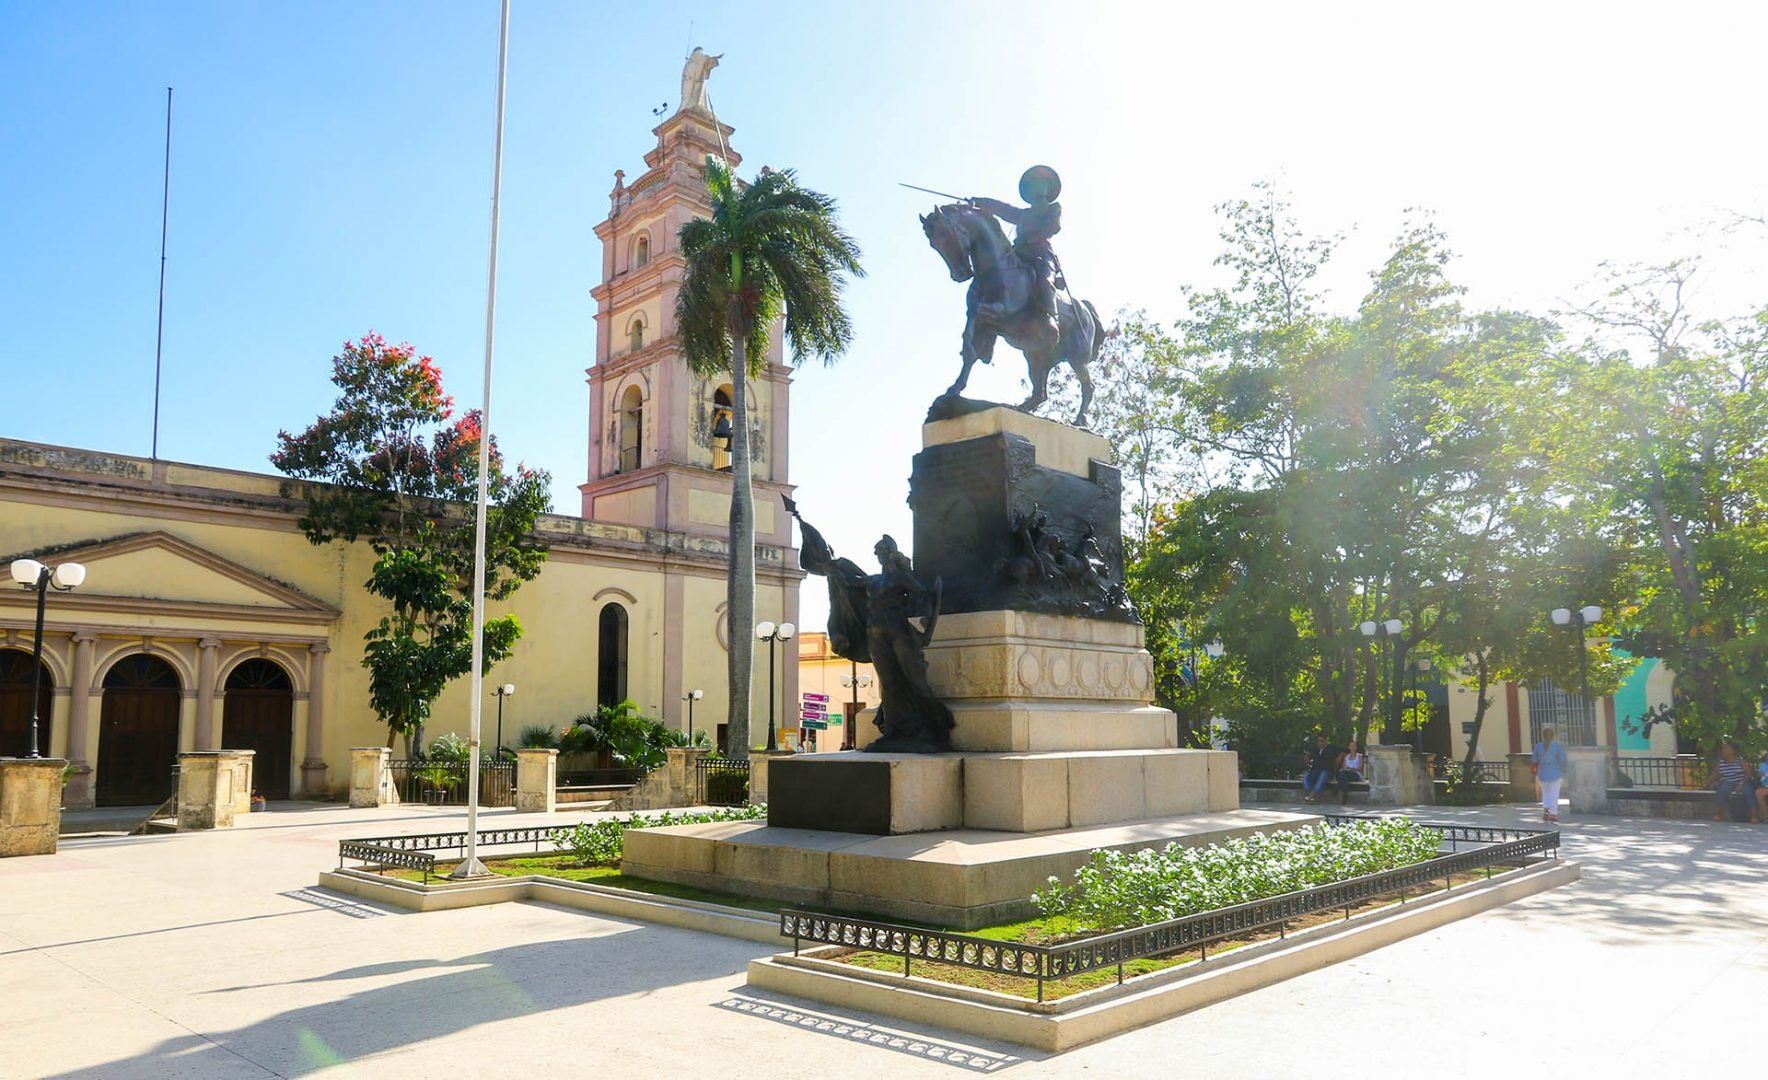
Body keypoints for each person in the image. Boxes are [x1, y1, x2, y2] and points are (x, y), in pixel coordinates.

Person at [969, 165, 1064, 339]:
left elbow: (1054, 226)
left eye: (1040, 184)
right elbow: (1002, 209)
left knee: (1045, 279)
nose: (1037, 188)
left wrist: (1031, 238)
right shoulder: (1022, 214)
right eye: (1033, 185)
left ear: (1047, 188)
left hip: (1041, 255)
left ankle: (1051, 318)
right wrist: (980, 202)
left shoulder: (1053, 208)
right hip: (1019, 254)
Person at [1712, 740, 1753, 823]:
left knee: (1748, 791)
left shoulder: (1741, 761)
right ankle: (1717, 814)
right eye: (1723, 749)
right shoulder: (1720, 763)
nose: (1724, 751)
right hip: (1728, 781)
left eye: (1727, 749)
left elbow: (1749, 774)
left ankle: (1754, 816)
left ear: (1733, 751)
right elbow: (1713, 775)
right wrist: (1706, 785)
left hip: (1742, 781)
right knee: (1722, 791)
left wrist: (1741, 783)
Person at [1533, 725, 1567, 824]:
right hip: (1556, 773)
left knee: (1545, 792)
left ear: (1542, 735)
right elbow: (1562, 761)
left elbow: (1534, 760)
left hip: (1543, 773)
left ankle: (1546, 810)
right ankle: (1554, 814)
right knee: (1554, 794)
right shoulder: (1557, 747)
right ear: (1553, 736)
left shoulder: (1538, 747)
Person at [1301, 733, 1344, 803]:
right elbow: (1308, 757)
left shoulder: (1332, 748)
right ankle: (1312, 797)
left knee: (1322, 777)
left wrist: (1339, 758)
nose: (1320, 743)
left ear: (1326, 741)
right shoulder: (1315, 749)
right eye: (1318, 741)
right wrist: (1306, 757)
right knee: (1306, 778)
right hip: (1315, 770)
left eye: (1322, 741)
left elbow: (1344, 750)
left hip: (1327, 771)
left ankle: (1310, 796)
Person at [1754, 750, 1768, 825]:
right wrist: (1763, 774)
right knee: (1758, 793)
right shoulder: (1763, 765)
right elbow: (1759, 775)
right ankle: (1766, 817)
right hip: (1766, 787)